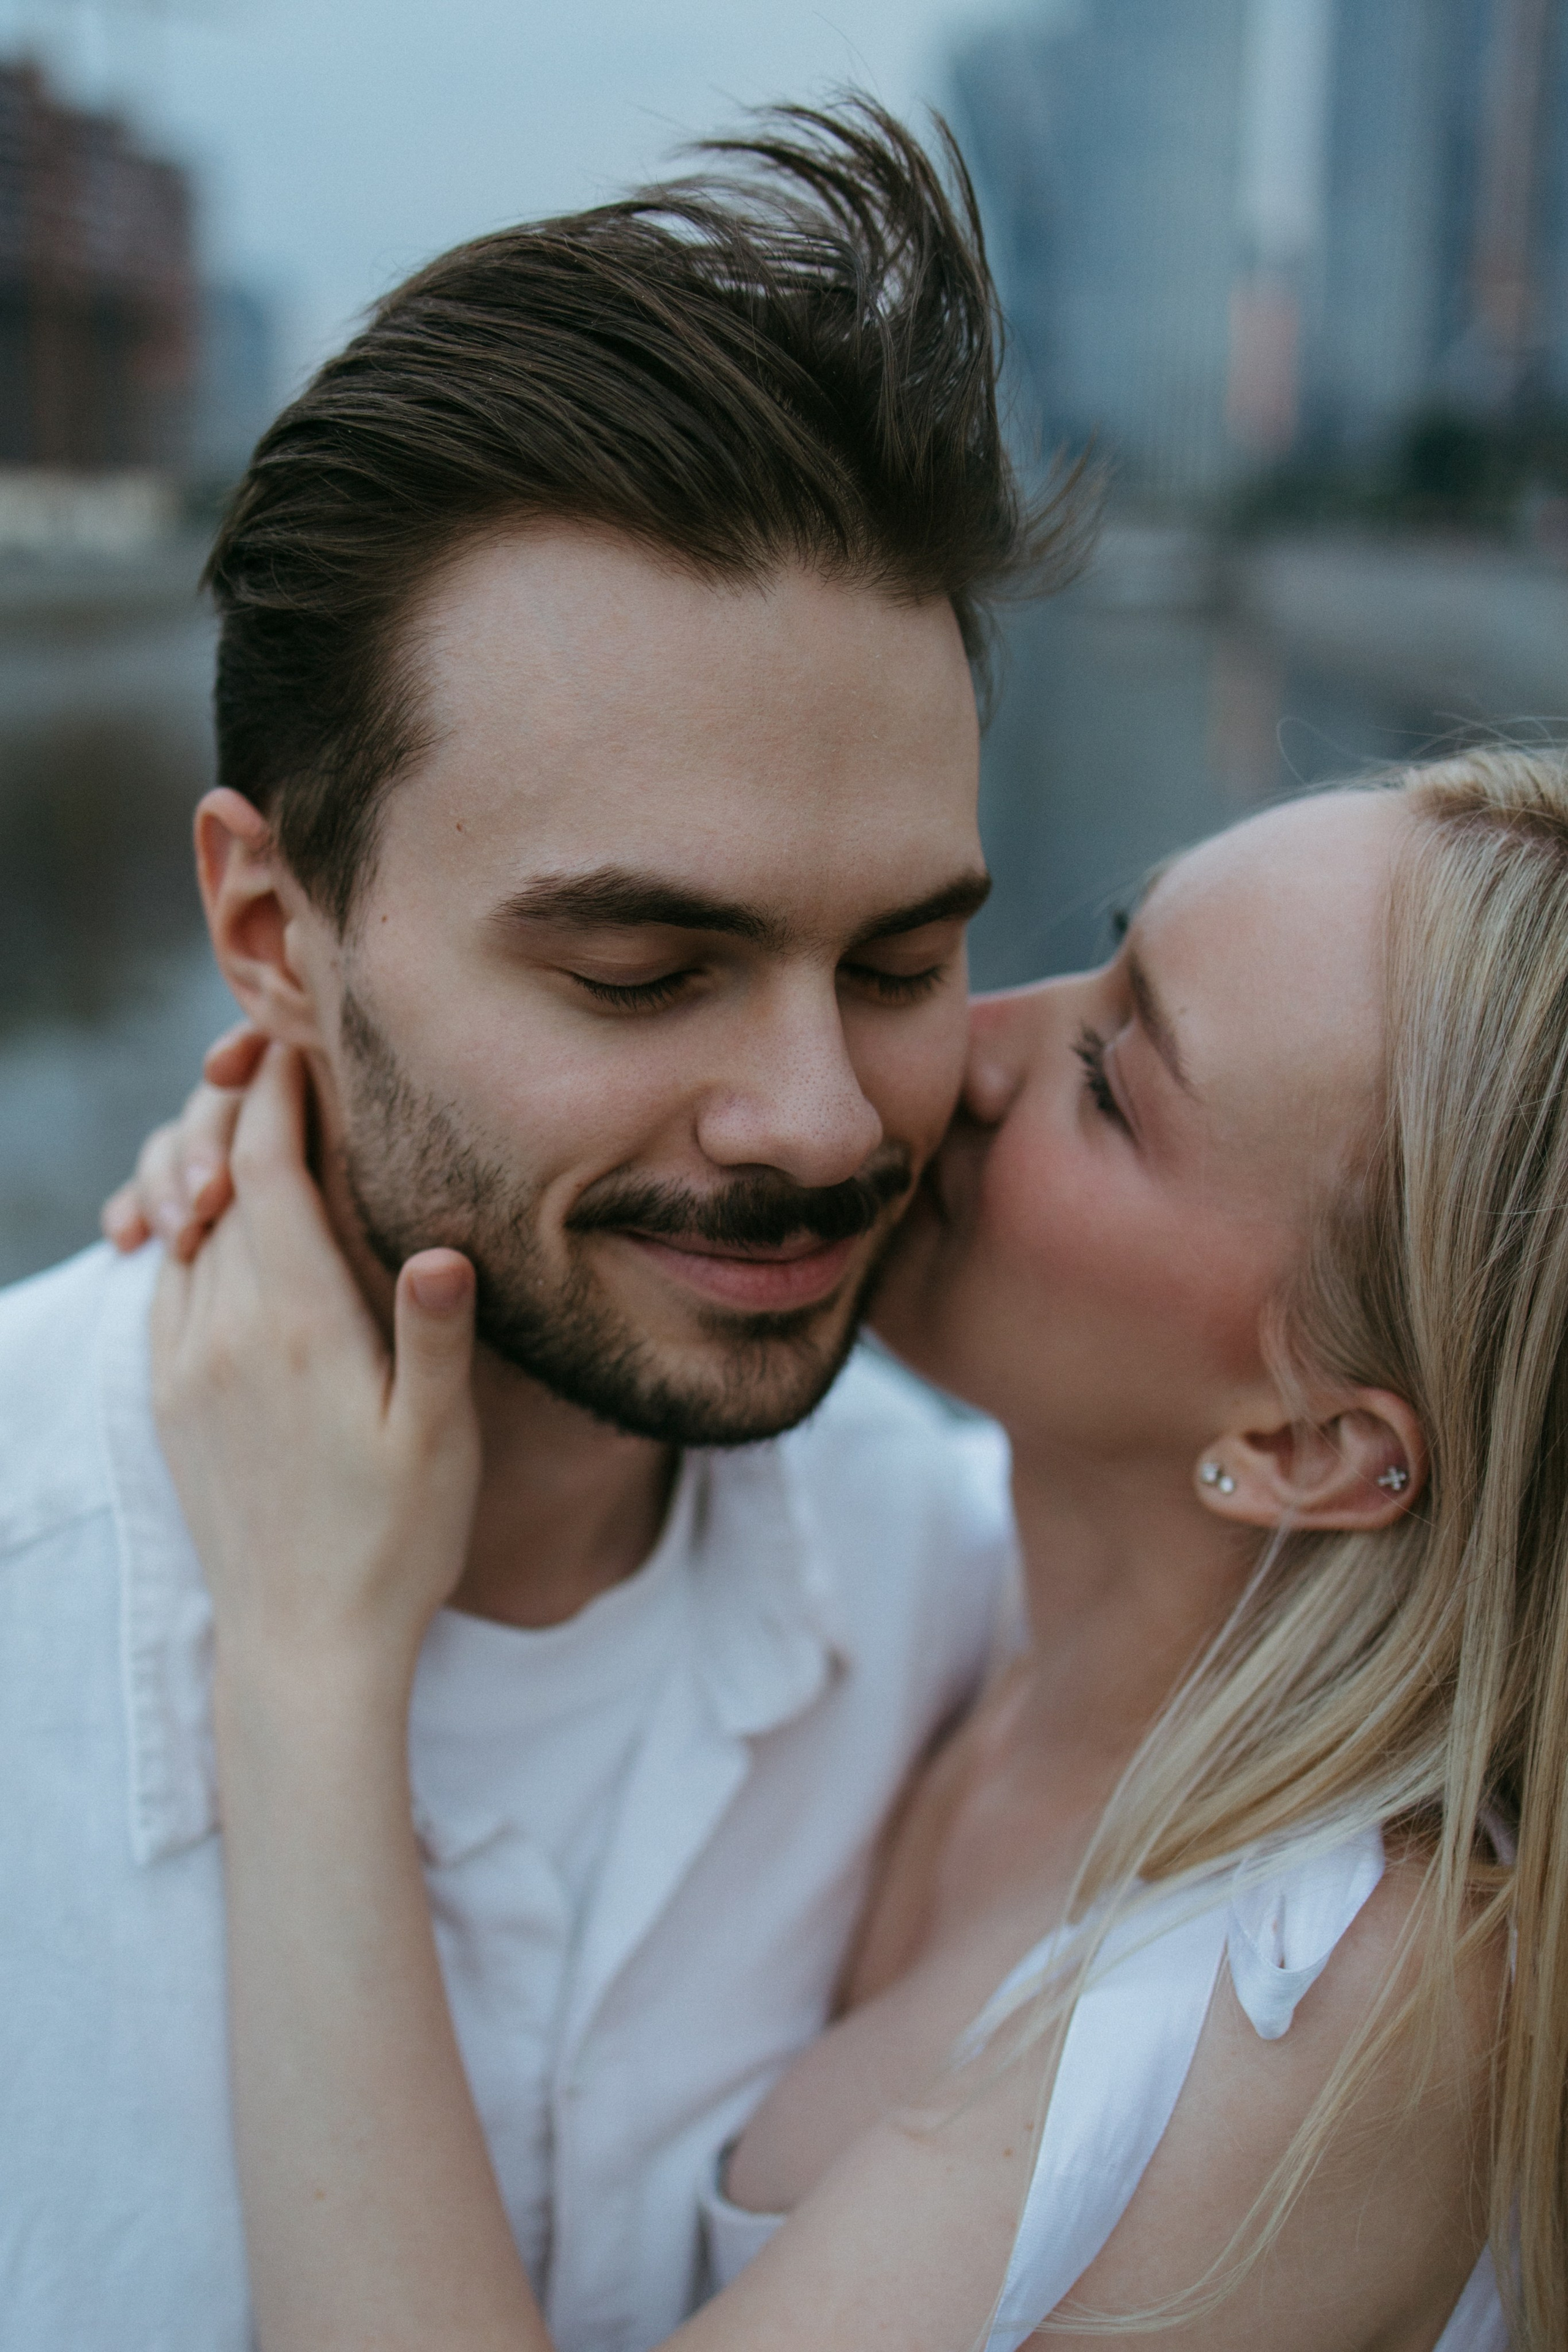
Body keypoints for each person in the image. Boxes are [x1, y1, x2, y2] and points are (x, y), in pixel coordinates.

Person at [0, 105, 1085, 2351]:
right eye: (636, 972)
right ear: (270, 925)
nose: (816, 1118)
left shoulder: (974, 1605)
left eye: (900, 962)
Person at [144, 753, 1555, 2348]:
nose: (959, 1053)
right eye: (1098, 947)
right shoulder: (947, 1583)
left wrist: (309, 1655)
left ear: (1312, 1446)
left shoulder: (1347, 1999)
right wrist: (302, 1144)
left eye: (1110, 1080)